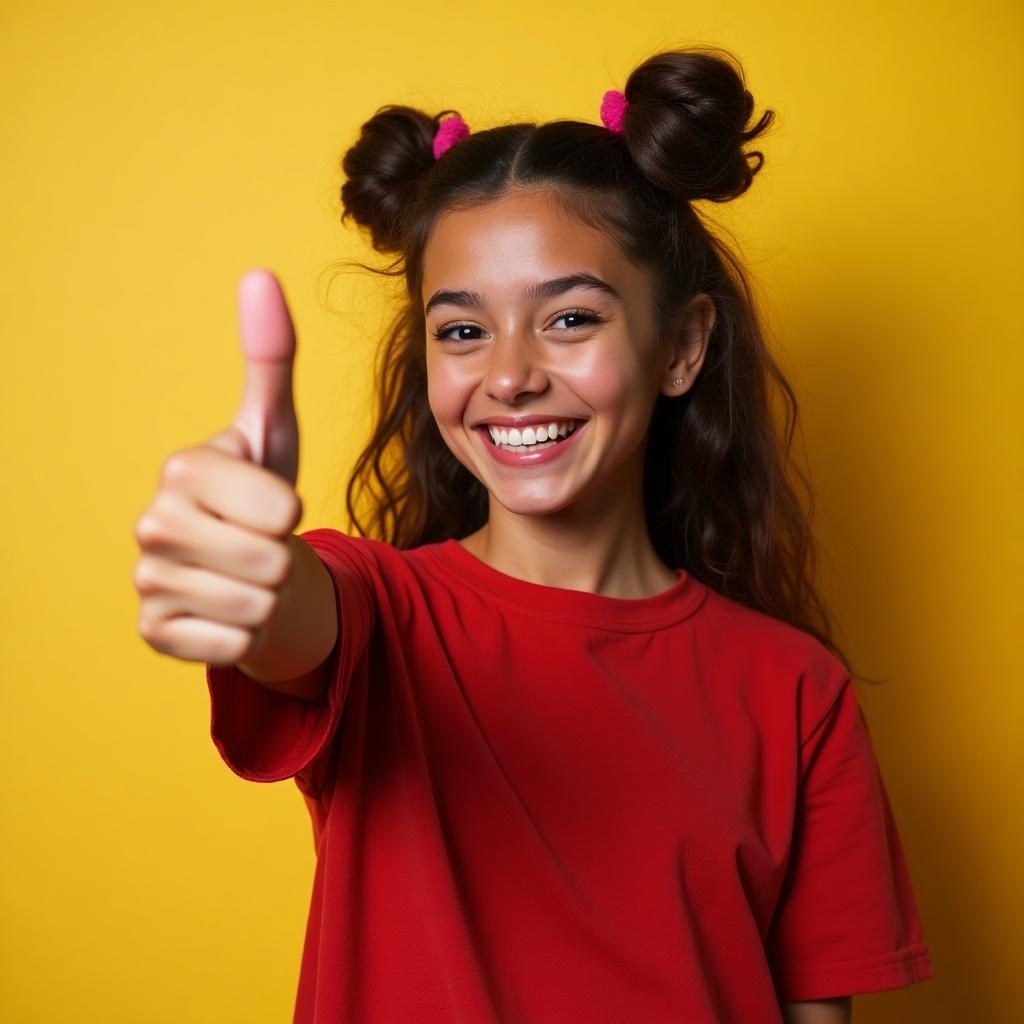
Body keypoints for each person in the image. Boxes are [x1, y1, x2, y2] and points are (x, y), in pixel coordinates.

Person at [132, 46, 935, 1024]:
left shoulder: (797, 691)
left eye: (568, 318)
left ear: (680, 346)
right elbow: (294, 615)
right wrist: (239, 570)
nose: (508, 375)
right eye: (463, 331)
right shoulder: (378, 613)